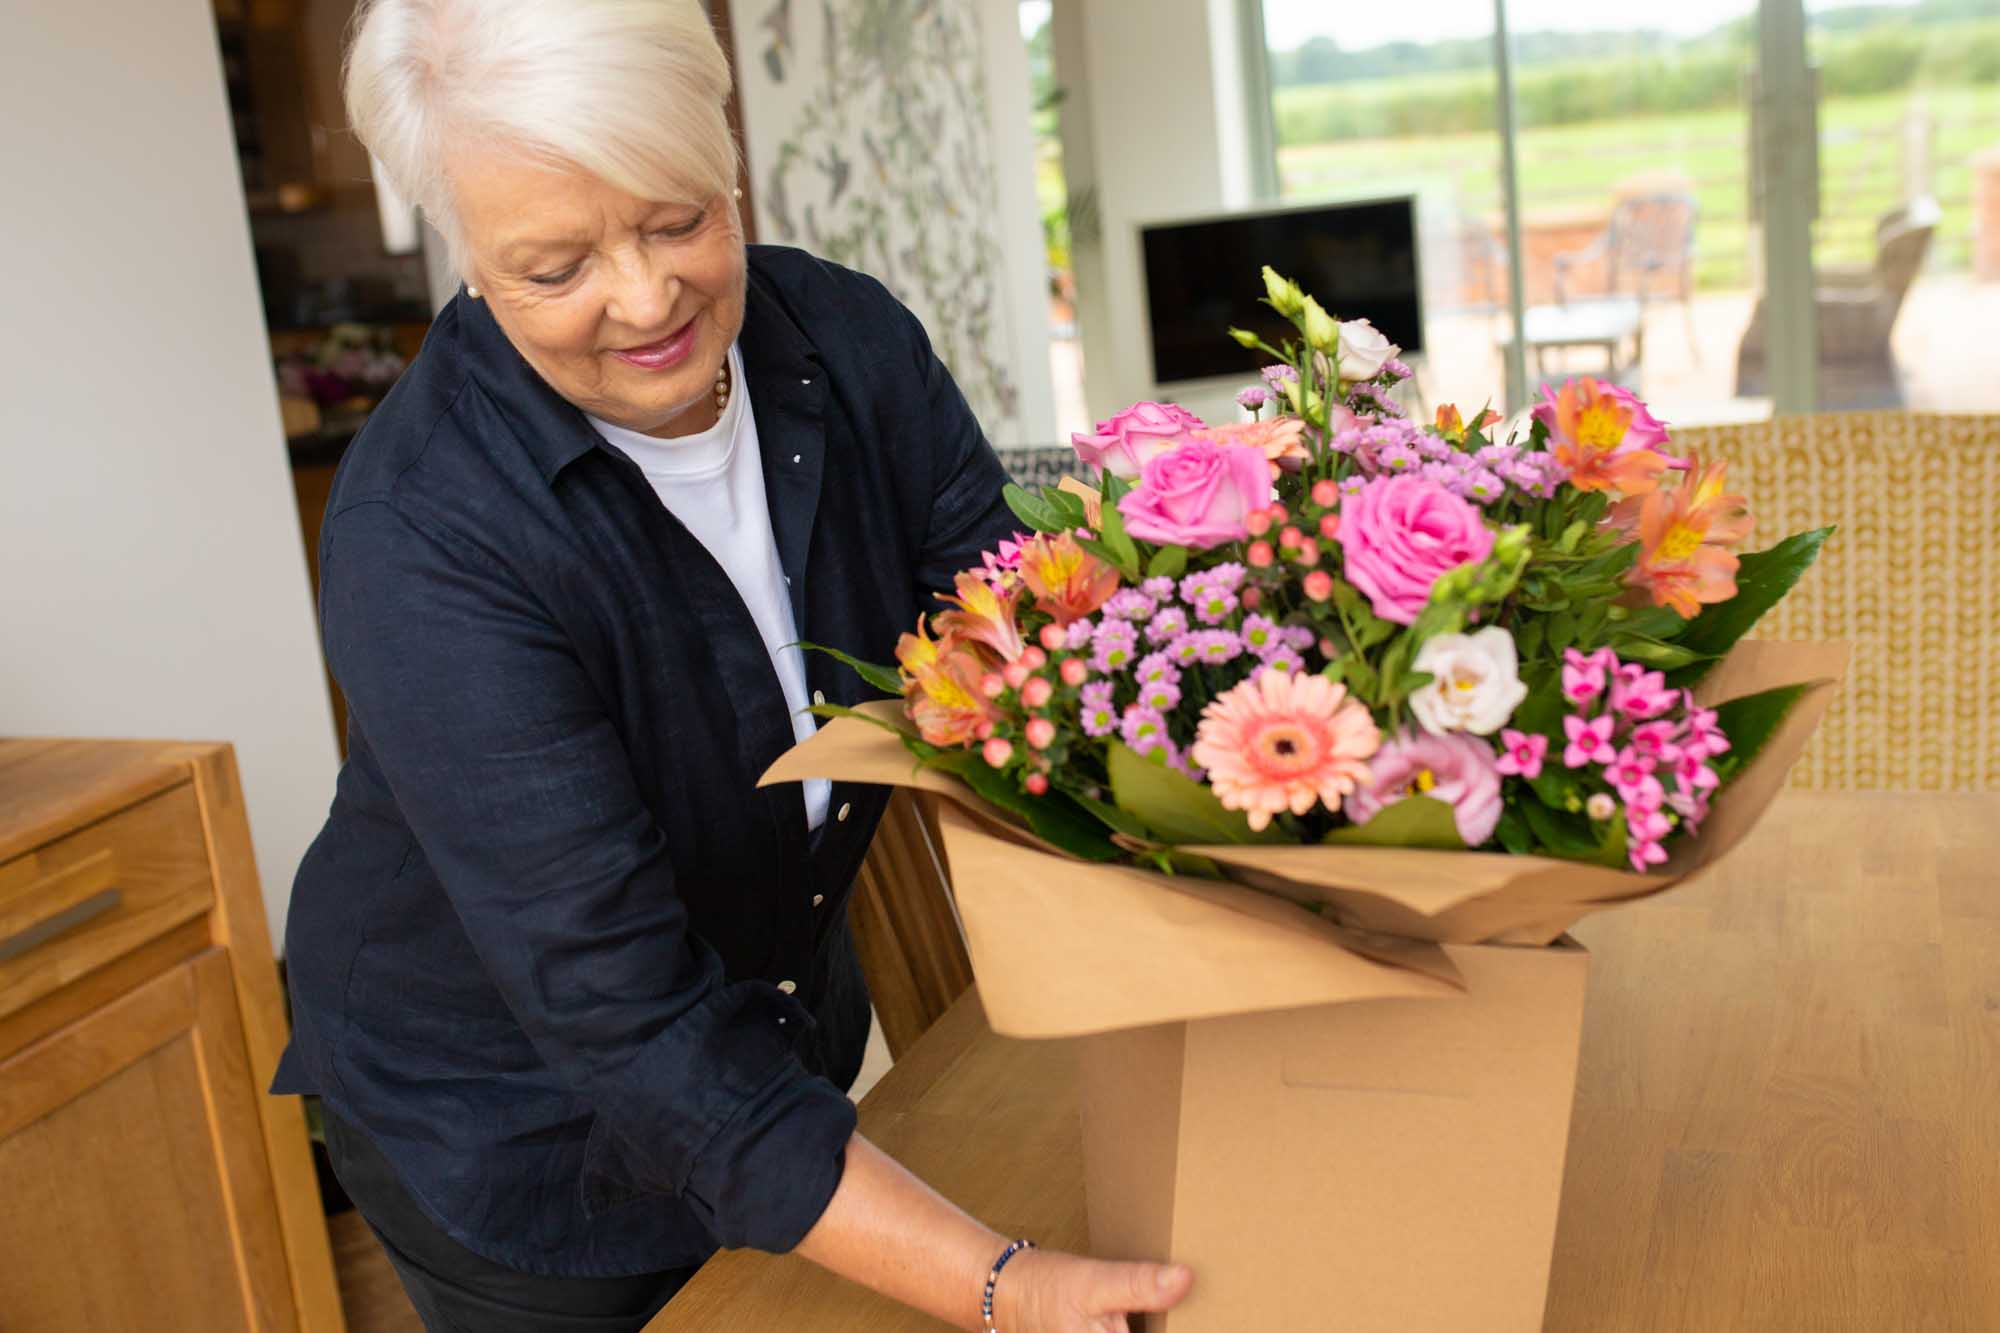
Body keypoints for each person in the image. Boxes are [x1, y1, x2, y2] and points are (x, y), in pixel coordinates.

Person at [272, 2, 1193, 1330]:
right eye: (554, 267)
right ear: (462, 254)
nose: (646, 300)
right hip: (515, 1119)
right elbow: (629, 1024)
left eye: (678, 218)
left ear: (727, 157)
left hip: (764, 1014)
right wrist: (1001, 1283)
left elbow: (1036, 660)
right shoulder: (422, 537)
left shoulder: (847, 344)